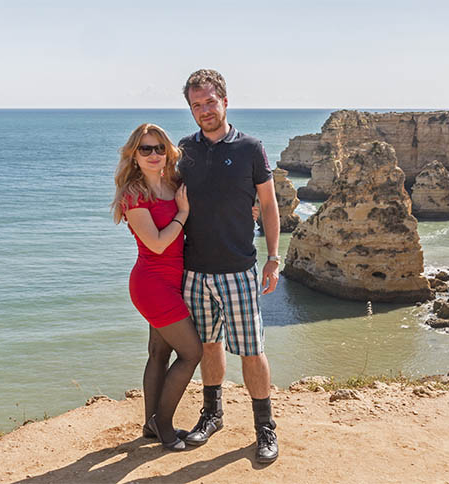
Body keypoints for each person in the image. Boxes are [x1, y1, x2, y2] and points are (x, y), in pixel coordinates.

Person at [177, 69, 282, 464]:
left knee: (252, 352)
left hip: (239, 269)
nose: (204, 110)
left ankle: (265, 427)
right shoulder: (184, 150)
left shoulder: (250, 148)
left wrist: (273, 258)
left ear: (224, 100)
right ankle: (212, 414)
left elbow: (269, 206)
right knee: (208, 345)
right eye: (196, 105)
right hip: (194, 272)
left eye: (209, 102)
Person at [112, 123, 202, 451]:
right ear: (134, 156)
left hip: (175, 281)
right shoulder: (134, 195)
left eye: (159, 148)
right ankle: (164, 424)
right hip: (151, 285)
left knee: (159, 352)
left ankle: (150, 424)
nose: (153, 155)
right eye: (145, 149)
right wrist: (183, 213)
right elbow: (159, 243)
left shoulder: (174, 183)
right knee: (192, 353)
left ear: (168, 152)